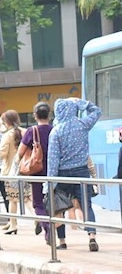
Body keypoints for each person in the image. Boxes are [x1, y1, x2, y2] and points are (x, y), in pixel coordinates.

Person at [47, 97, 102, 252]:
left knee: (59, 208)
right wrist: (81, 102)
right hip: (81, 171)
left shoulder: (56, 131)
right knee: (87, 205)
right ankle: (92, 236)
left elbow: (53, 160)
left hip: (62, 174)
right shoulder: (82, 124)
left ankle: (62, 241)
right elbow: (97, 111)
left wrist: (49, 183)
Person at [16, 102, 66, 248]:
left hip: (37, 171)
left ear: (34, 115)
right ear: (49, 115)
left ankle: (47, 226)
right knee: (57, 205)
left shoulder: (32, 131)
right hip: (55, 171)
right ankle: (62, 239)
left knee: (38, 204)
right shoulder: (56, 129)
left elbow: (20, 152)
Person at [0, 109, 32, 234]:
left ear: (6, 122)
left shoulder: (7, 135)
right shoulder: (25, 131)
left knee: (12, 199)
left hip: (10, 172)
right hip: (24, 170)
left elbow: (2, 154)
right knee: (26, 197)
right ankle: (35, 219)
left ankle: (14, 224)